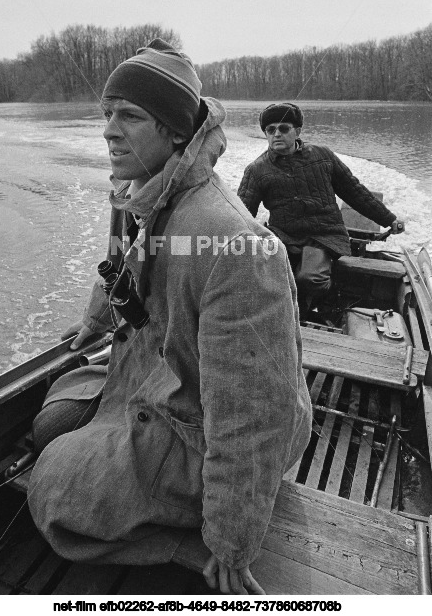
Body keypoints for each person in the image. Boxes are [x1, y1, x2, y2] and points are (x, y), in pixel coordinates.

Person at [27, 42, 312, 595]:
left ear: (176, 133)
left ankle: (185, 543)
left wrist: (233, 539)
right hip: (161, 371)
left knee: (53, 489)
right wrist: (96, 320)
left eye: (129, 116)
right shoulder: (152, 194)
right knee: (51, 419)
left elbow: (252, 412)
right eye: (107, 113)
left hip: (211, 427)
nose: (109, 130)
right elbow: (126, 265)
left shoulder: (236, 247)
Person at [237, 102, 405, 320]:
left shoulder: (323, 156)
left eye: (284, 128)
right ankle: (286, 316)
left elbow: (354, 191)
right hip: (283, 236)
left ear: (297, 131)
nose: (277, 134)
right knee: (261, 277)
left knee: (309, 279)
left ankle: (321, 301)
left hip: (323, 236)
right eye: (271, 130)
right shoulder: (256, 170)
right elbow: (241, 214)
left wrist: (389, 219)